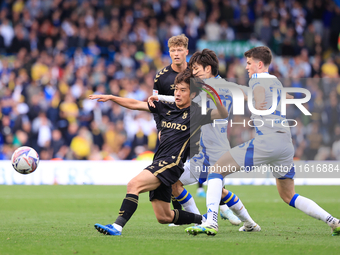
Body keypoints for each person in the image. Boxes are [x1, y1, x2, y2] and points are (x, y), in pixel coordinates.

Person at [185, 46, 340, 236]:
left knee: (216, 171)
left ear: (259, 64)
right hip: (285, 143)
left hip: (267, 141)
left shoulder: (256, 80)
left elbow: (256, 94)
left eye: (249, 63)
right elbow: (287, 97)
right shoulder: (275, 81)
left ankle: (211, 222)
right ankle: (333, 221)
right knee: (288, 195)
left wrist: (256, 101)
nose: (247, 67)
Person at [89, 69, 229, 236]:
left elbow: (222, 111)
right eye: (176, 89)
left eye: (183, 90)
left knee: (133, 185)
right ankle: (201, 219)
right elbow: (135, 104)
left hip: (172, 164)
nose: (177, 93)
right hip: (159, 162)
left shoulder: (198, 112)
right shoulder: (165, 108)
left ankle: (117, 227)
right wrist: (112, 98)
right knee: (164, 216)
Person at [149, 49, 246, 226]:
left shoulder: (207, 88)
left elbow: (183, 97)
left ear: (208, 69)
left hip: (216, 149)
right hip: (201, 148)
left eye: (196, 68)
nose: (193, 72)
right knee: (176, 182)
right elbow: (181, 96)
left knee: (218, 190)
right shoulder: (226, 86)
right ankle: (204, 219)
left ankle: (241, 222)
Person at [152, 34, 191, 211]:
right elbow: (155, 105)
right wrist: (160, 128)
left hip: (194, 127)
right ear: (169, 52)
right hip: (173, 130)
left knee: (209, 167)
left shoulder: (196, 73)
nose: (176, 53)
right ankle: (179, 213)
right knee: (174, 170)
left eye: (179, 50)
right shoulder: (160, 77)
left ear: (186, 52)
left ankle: (224, 203)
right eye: (173, 50)